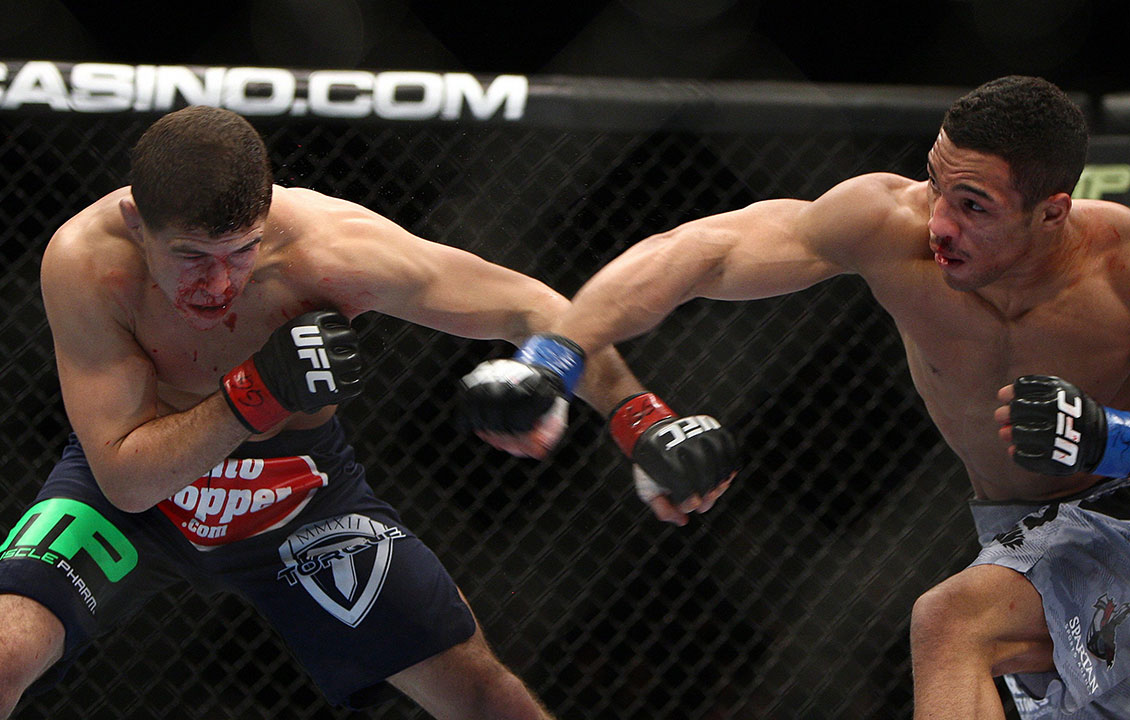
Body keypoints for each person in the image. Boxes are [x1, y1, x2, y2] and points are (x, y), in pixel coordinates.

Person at [461, 76, 1130, 718]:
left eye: (975, 206)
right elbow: (701, 251)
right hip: (1009, 528)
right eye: (935, 184)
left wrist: (1112, 438)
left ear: (1052, 211)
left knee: (952, 622)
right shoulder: (889, 225)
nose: (939, 224)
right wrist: (554, 356)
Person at [0, 105, 662, 719]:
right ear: (137, 224)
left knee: (486, 696)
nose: (221, 283)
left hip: (295, 491)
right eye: (192, 257)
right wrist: (257, 392)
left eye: (241, 250)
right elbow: (126, 480)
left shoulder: (331, 252)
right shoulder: (87, 263)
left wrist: (640, 417)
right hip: (131, 496)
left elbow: (530, 308)